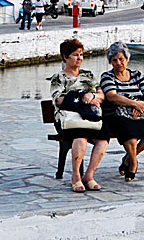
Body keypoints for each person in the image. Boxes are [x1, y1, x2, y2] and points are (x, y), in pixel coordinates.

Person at [49, 38, 110, 192]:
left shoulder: (88, 75)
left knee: (103, 139)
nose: (79, 58)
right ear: (65, 57)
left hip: (89, 116)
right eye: (75, 55)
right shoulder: (59, 78)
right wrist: (81, 97)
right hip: (69, 119)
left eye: (81, 55)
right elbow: (58, 100)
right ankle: (76, 176)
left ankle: (89, 175)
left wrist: (94, 97)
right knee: (80, 138)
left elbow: (101, 93)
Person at [98, 41, 144, 182]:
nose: (119, 63)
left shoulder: (136, 75)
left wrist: (142, 105)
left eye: (121, 59)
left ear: (127, 59)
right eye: (115, 60)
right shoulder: (107, 76)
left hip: (139, 111)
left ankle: (127, 158)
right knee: (130, 135)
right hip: (118, 114)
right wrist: (134, 104)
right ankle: (133, 163)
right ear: (110, 62)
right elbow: (111, 96)